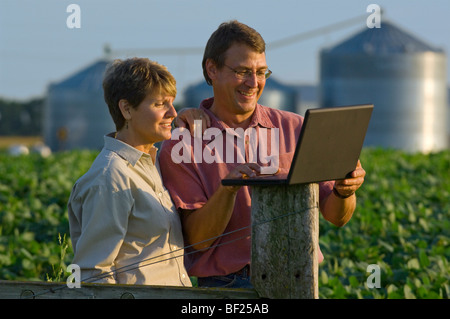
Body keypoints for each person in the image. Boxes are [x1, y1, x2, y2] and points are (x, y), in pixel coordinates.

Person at [159, 20, 366, 288]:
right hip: (228, 285)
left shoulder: (296, 127)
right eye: (242, 71)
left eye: (261, 72)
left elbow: (337, 217)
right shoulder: (182, 144)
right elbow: (199, 239)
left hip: (298, 276)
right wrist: (229, 188)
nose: (253, 82)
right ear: (212, 69)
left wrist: (344, 190)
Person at [68, 57, 207, 286]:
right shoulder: (111, 177)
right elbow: (94, 274)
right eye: (160, 104)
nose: (172, 112)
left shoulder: (154, 164)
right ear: (126, 109)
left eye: (172, 103)